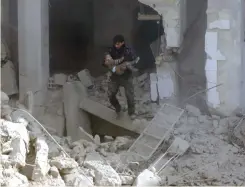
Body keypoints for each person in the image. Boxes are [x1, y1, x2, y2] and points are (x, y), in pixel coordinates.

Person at [102, 34, 137, 120]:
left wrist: (125, 65)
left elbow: (133, 60)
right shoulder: (111, 51)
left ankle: (131, 112)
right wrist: (112, 66)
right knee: (110, 95)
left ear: (122, 43)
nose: (116, 46)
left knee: (130, 96)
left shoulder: (128, 51)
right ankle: (118, 108)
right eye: (115, 44)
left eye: (118, 44)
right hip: (115, 77)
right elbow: (104, 63)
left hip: (126, 76)